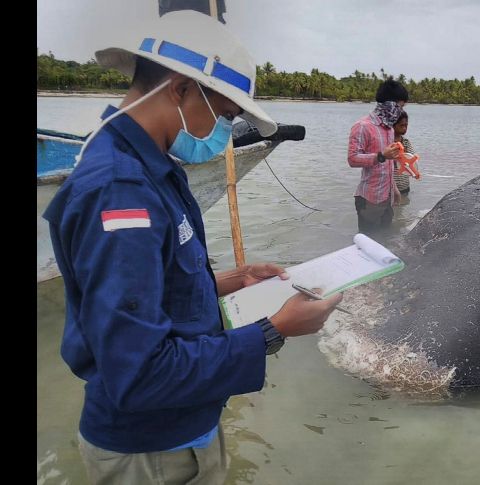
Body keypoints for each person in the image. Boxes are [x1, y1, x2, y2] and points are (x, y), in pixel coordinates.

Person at [42, 11, 342, 485]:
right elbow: (139, 374)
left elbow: (149, 292)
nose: (224, 132)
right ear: (181, 89)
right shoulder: (121, 193)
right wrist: (273, 330)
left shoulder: (153, 168)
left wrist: (229, 281)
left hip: (182, 427)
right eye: (226, 115)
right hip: (151, 449)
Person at [347, 79, 409, 235]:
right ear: (388, 105)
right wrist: (381, 156)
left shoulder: (389, 129)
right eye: (399, 107)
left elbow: (388, 165)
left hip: (387, 198)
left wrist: (394, 189)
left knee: (384, 240)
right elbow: (352, 159)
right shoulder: (362, 126)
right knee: (367, 242)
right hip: (369, 200)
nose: (400, 112)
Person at [392, 111, 416, 195]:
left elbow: (412, 159)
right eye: (401, 125)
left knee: (404, 203)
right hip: (390, 188)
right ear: (393, 125)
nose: (405, 128)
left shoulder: (406, 142)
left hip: (404, 187)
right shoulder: (388, 143)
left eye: (406, 125)